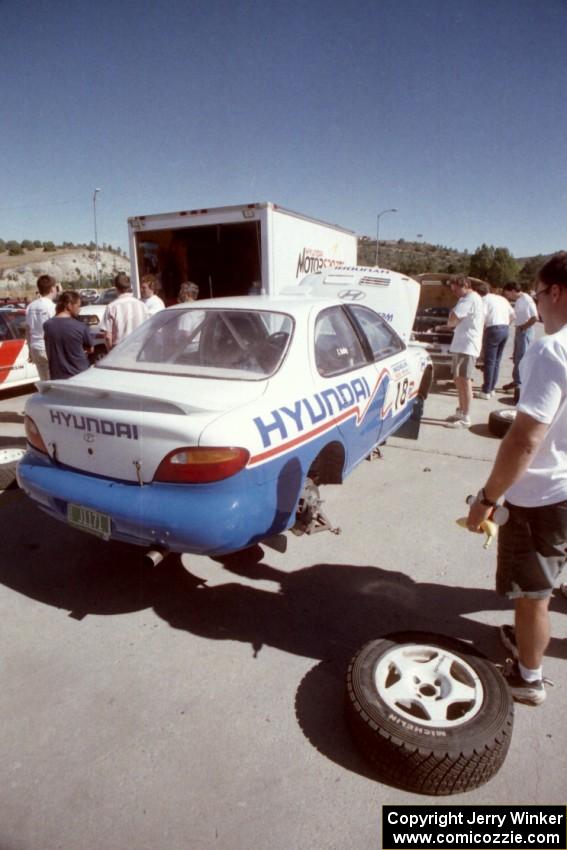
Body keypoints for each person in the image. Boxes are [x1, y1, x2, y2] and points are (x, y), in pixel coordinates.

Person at [466, 251, 567, 706]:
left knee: (533, 595)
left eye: (540, 294)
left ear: (556, 292)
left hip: (542, 494)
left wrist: (488, 497)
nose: (538, 305)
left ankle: (528, 677)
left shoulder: (552, 349)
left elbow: (524, 439)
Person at [435, 276, 484, 428]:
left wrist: (450, 320)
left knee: (464, 380)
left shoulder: (469, 299)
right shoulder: (469, 299)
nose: (454, 292)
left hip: (467, 346)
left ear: (465, 285)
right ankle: (461, 412)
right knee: (459, 380)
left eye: (456, 289)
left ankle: (465, 417)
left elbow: (454, 317)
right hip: (462, 345)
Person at [476, 282, 514, 398]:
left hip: (493, 329)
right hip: (505, 328)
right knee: (496, 361)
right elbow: (513, 315)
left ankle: (486, 390)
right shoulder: (501, 299)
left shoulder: (483, 300)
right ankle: (491, 388)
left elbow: (481, 318)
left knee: (489, 361)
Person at [43, 290, 94, 379]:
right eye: (78, 306)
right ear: (69, 306)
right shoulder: (81, 326)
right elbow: (90, 349)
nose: (79, 309)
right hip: (79, 375)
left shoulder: (47, 325)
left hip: (57, 377)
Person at [502, 282, 538, 394]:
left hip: (525, 331)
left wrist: (524, 327)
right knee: (517, 358)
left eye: (507, 293)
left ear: (513, 290)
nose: (507, 296)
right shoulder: (519, 300)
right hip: (520, 330)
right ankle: (516, 381)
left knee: (522, 358)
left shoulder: (527, 299)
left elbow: (534, 317)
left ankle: (519, 384)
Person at [100, 273, 149, 350]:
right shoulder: (142, 305)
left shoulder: (112, 307)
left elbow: (108, 336)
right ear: (129, 287)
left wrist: (111, 353)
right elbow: (147, 329)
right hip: (139, 348)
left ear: (116, 288)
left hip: (120, 350)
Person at [25, 275, 58, 381]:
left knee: (43, 380)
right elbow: (55, 331)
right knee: (53, 383)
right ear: (52, 288)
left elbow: (28, 330)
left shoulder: (30, 306)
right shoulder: (51, 307)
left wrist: (30, 350)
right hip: (47, 347)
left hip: (35, 347)